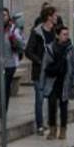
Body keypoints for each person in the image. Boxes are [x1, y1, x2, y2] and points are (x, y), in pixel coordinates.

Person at [40, 25, 74, 140]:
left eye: (67, 34)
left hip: (65, 81)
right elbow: (44, 66)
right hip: (52, 80)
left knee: (63, 107)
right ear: (57, 35)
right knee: (51, 105)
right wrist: (42, 84)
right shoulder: (50, 48)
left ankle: (63, 130)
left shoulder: (71, 49)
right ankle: (52, 129)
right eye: (64, 34)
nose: (66, 36)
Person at [24, 7, 57, 135]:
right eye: (54, 15)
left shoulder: (55, 31)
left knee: (52, 98)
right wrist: (39, 61)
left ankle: (50, 122)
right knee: (40, 99)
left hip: (53, 71)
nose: (56, 17)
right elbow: (28, 51)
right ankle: (40, 125)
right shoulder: (37, 33)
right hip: (40, 72)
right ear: (49, 17)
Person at [0, 8, 22, 108]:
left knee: (6, 85)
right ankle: (2, 105)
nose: (3, 17)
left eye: (5, 15)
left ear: (8, 17)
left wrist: (15, 38)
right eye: (1, 15)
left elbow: (21, 45)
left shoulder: (13, 29)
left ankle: (3, 108)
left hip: (10, 63)